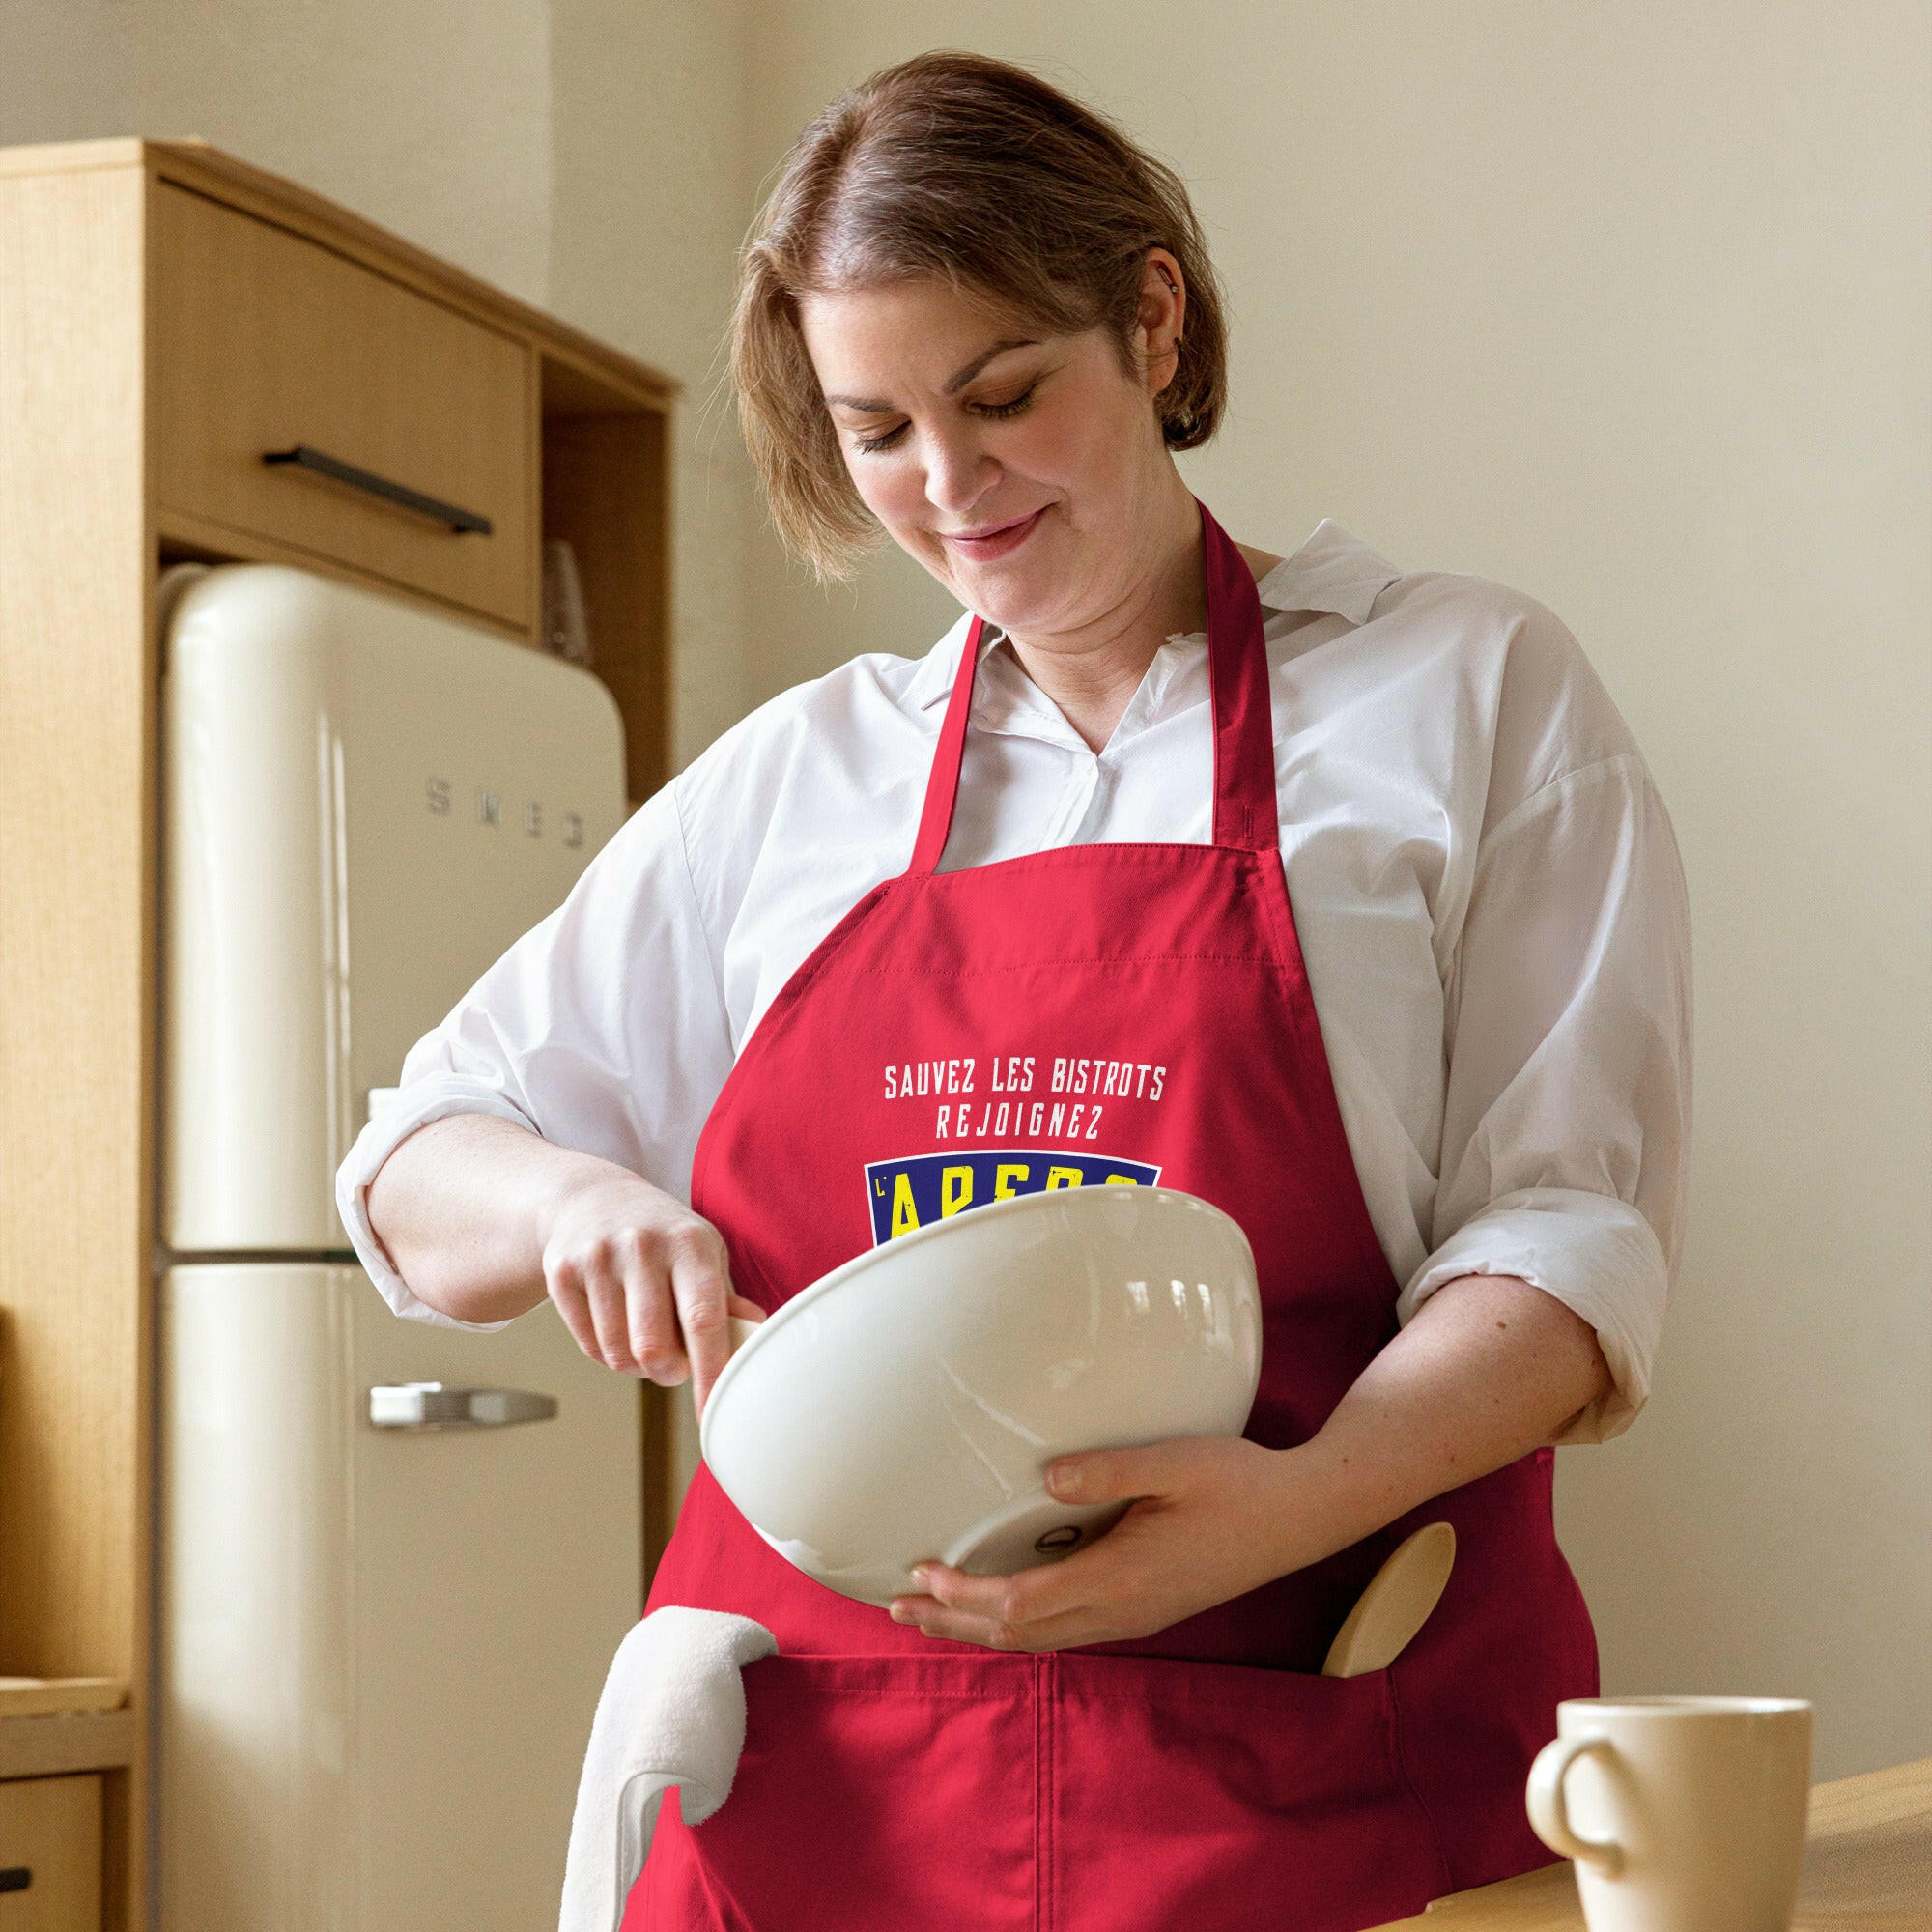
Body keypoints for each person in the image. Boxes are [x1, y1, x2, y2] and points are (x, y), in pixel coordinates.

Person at [335, 49, 1691, 1932]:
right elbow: (416, 1161)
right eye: (876, 429)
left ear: (1151, 319)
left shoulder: (1465, 694)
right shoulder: (796, 779)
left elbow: (1563, 1241)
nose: (949, 487)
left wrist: (1287, 1507)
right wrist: (569, 1200)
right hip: (829, 1808)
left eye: (1000, 396)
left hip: (1308, 1767)